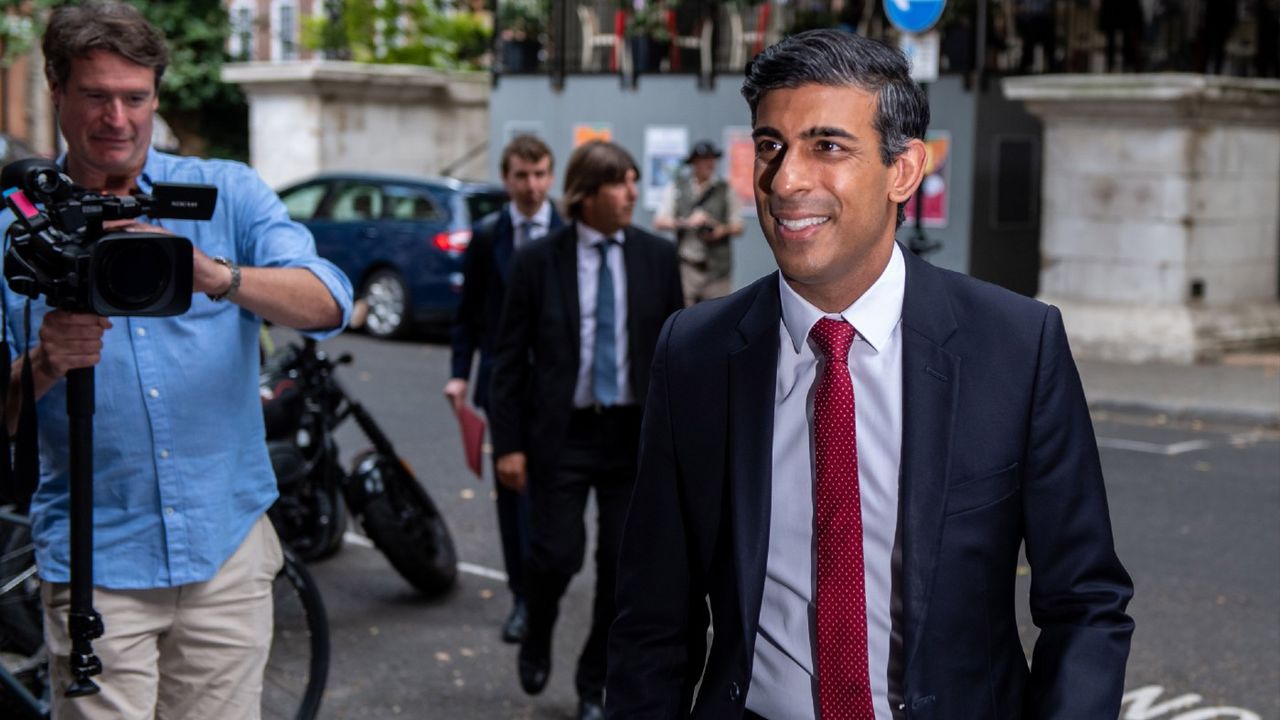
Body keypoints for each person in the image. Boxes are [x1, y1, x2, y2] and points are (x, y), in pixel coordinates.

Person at [607, 29, 1134, 719]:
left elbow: (1086, 603)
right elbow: (652, 620)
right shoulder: (694, 353)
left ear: (904, 171)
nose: (785, 180)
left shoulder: (1015, 346)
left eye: (827, 146)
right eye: (771, 146)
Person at [1, 3, 353, 718]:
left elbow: (329, 302)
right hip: (97, 558)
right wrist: (41, 363)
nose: (118, 119)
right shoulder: (15, 226)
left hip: (227, 548)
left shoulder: (224, 193)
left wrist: (215, 275)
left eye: (135, 97)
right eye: (97, 96)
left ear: (156, 96)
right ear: (56, 88)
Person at [489, 140, 682, 720]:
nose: (632, 194)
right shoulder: (539, 261)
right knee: (555, 556)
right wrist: (511, 443)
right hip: (563, 434)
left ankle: (593, 682)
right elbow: (508, 359)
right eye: (620, 183)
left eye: (632, 182)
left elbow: (674, 354)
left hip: (631, 435)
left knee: (621, 569)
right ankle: (539, 627)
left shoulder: (656, 256)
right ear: (587, 194)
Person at [444, 134, 563, 644]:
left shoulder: (571, 231)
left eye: (539, 175)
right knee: (513, 497)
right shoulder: (490, 235)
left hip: (561, 387)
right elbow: (468, 314)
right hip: (505, 386)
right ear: (506, 179)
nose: (532, 186)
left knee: (556, 495)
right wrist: (460, 374)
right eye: (522, 176)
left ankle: (549, 581)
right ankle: (522, 596)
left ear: (551, 177)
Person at [653, 140, 745, 307]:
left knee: (718, 318)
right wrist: (687, 223)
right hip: (687, 268)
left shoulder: (725, 189)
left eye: (712, 159)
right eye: (704, 159)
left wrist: (721, 230)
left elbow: (739, 226)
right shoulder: (677, 187)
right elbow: (659, 222)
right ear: (694, 163)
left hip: (718, 271)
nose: (710, 163)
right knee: (684, 317)